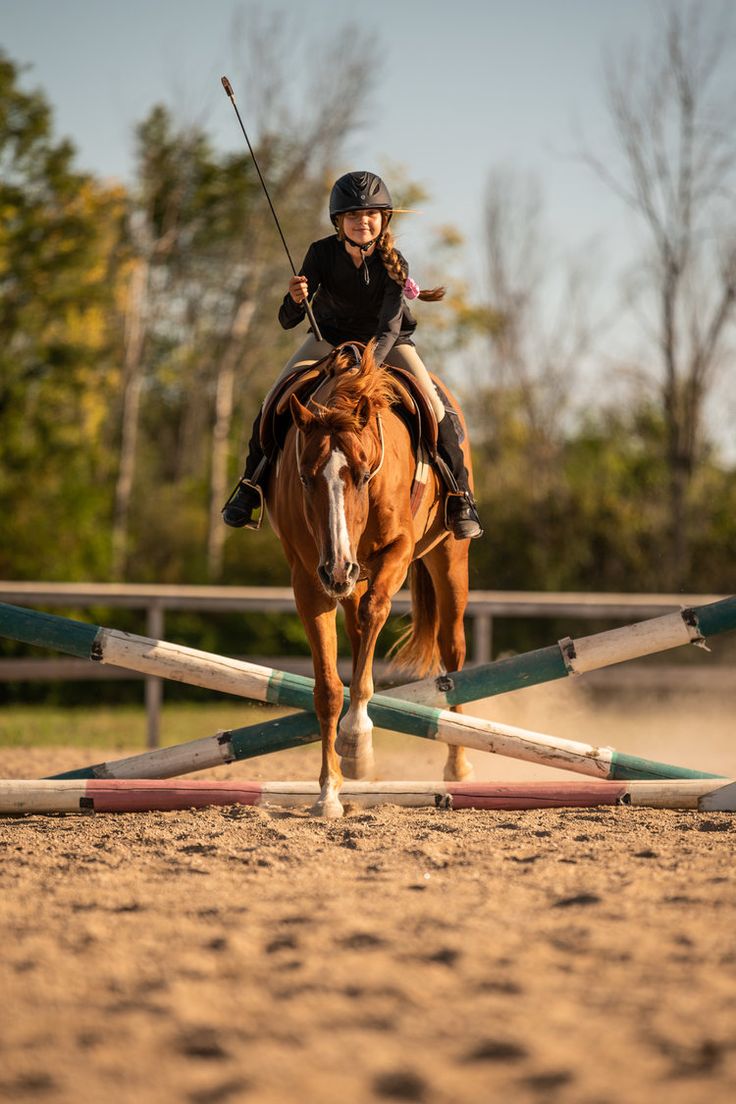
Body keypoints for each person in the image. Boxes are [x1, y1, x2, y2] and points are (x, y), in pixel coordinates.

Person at [222, 170, 483, 539]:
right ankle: (249, 486)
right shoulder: (320, 253)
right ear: (339, 222)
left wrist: (366, 367)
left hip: (388, 346)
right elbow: (287, 320)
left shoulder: (395, 262)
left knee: (436, 407)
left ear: (383, 220)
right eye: (354, 216)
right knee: (272, 400)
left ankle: (460, 496)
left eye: (371, 215)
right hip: (329, 340)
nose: (363, 221)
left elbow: (390, 328)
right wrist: (295, 300)